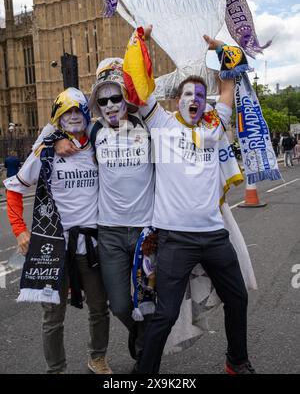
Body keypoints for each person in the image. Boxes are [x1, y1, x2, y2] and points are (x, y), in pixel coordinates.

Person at [131, 29, 255, 374]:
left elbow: (229, 85)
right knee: (166, 313)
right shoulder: (161, 124)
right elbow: (138, 89)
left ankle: (237, 361)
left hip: (215, 237)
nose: (195, 99)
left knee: (238, 298)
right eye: (188, 94)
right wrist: (141, 40)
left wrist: (222, 51)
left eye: (200, 94)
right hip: (175, 239)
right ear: (177, 101)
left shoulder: (215, 126)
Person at [53, 60, 155, 362]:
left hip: (144, 232)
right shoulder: (96, 131)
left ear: (127, 99)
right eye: (103, 100)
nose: (110, 105)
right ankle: (139, 334)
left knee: (148, 300)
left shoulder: (148, 129)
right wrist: (55, 138)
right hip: (108, 234)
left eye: (116, 98)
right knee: (120, 305)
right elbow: (61, 120)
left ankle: (149, 352)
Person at [4, 88, 111, 374]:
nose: (73, 116)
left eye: (78, 111)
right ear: (57, 120)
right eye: (66, 113)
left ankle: (97, 357)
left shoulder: (99, 148)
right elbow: (14, 188)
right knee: (53, 316)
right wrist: (20, 230)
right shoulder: (46, 152)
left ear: (86, 115)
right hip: (52, 247)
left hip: (91, 246)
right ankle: (56, 369)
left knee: (99, 308)